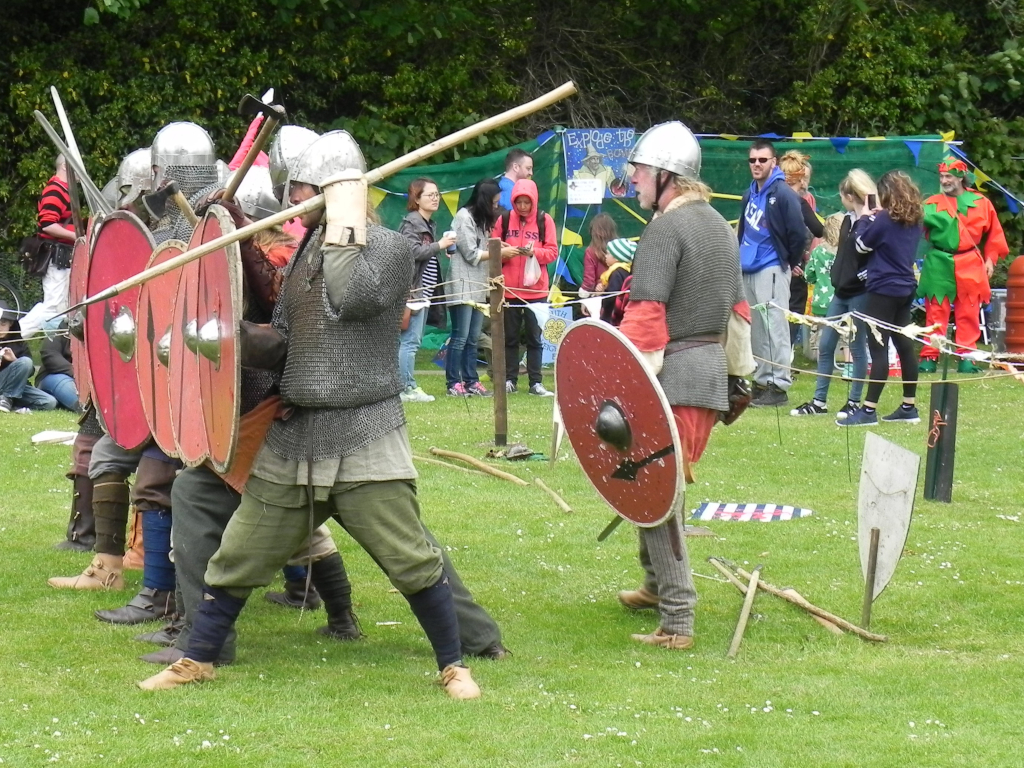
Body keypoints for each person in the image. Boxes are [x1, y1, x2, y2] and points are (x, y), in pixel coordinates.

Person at [138, 130, 482, 700]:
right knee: (239, 553)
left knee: (410, 558)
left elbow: (350, 298)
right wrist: (227, 336)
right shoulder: (305, 250)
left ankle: (454, 666)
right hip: (297, 434)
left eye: (302, 188)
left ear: (334, 189)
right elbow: (287, 343)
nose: (292, 199)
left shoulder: (390, 248)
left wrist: (344, 222)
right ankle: (197, 660)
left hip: (365, 431)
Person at [615, 121, 746, 650]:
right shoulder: (719, 226)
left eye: (641, 171)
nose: (634, 180)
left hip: (673, 374)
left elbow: (646, 318)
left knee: (654, 492)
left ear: (667, 176)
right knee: (648, 482)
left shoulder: (665, 230)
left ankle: (677, 619)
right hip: (708, 373)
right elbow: (739, 314)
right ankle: (654, 585)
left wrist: (620, 385)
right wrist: (736, 379)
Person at [839, 170, 923, 427]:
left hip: (883, 289)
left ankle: (868, 410)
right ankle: (909, 406)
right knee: (904, 345)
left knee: (878, 348)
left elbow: (861, 246)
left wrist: (865, 218)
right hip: (906, 287)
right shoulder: (915, 218)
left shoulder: (884, 219)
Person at [790, 171, 876, 418]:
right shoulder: (847, 220)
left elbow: (870, 254)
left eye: (842, 196)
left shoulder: (871, 222)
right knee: (826, 344)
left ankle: (854, 401)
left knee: (857, 346)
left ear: (850, 196)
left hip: (859, 293)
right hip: (841, 291)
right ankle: (819, 401)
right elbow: (844, 255)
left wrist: (861, 278)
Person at [918, 157, 1010, 373]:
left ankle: (967, 357)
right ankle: (930, 356)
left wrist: (990, 259)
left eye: (949, 176)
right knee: (935, 312)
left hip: (970, 261)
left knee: (968, 312)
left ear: (961, 177)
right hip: (938, 261)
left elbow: (995, 234)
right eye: (942, 176)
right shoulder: (930, 204)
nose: (944, 180)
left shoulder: (982, 203)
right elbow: (912, 227)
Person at [736, 139, 810, 407]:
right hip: (749, 267)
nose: (756, 164)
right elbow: (743, 229)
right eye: (752, 160)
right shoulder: (750, 193)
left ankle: (779, 385)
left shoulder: (783, 194)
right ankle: (762, 380)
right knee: (757, 328)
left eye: (762, 160)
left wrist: (787, 262)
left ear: (773, 162)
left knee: (775, 327)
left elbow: (799, 233)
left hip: (772, 267)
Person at [492, 178, 558, 396]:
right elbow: (493, 249)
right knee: (509, 338)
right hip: (509, 289)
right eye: (518, 202)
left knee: (534, 339)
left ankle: (535, 382)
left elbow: (552, 252)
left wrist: (534, 252)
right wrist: (504, 252)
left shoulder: (544, 220)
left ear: (534, 201)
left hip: (536, 290)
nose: (522, 206)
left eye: (526, 202)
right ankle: (509, 380)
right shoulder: (503, 219)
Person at [398, 178, 453, 403]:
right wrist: (439, 245)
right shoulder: (412, 223)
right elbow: (411, 252)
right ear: (416, 199)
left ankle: (404, 385)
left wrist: (439, 248)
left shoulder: (427, 223)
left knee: (411, 341)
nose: (435, 198)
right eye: (430, 195)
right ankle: (406, 387)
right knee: (409, 342)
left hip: (423, 292)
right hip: (413, 291)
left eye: (437, 194)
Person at [447, 178, 501, 397]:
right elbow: (471, 254)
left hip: (478, 286)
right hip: (462, 286)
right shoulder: (463, 217)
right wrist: (498, 253)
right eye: (494, 203)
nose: (496, 207)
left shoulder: (480, 221)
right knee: (460, 336)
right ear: (484, 200)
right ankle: (453, 382)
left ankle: (471, 381)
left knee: (473, 337)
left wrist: (499, 246)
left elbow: (483, 247)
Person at [20, 155, 76, 338]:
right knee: (52, 308)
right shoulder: (55, 190)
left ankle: (59, 346)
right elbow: (47, 224)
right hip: (56, 256)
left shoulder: (64, 190)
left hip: (62, 256)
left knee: (62, 307)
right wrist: (76, 236)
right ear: (65, 166)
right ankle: (13, 337)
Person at [777, 150, 824, 348]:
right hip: (792, 265)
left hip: (770, 264)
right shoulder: (797, 201)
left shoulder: (769, 196)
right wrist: (794, 260)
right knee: (793, 309)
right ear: (800, 178)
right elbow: (816, 230)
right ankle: (785, 353)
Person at [0, 302, 57, 413]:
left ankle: (8, 399)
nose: (0, 328)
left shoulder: (18, 342)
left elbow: (30, 372)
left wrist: (14, 360)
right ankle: (7, 399)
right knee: (25, 361)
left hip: (15, 385)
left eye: (3, 324)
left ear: (10, 324)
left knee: (49, 402)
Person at [35, 323, 80, 412]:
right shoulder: (59, 325)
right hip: (54, 376)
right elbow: (50, 355)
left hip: (85, 379)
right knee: (64, 383)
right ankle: (85, 409)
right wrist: (75, 372)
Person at [594, 237, 636, 326]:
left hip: (611, 317)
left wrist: (601, 294)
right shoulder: (625, 270)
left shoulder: (617, 273)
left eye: (608, 253)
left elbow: (611, 296)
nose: (605, 256)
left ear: (617, 258)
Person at [579, 212, 618, 298]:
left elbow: (589, 281)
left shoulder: (591, 251)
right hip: (618, 291)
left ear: (594, 232)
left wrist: (584, 295)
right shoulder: (620, 248)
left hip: (599, 294)